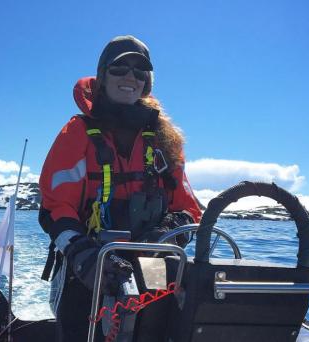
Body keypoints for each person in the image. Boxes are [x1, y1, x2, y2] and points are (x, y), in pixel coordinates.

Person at [38, 35, 202, 341]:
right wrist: (82, 253)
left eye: (140, 71)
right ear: (102, 76)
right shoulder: (77, 133)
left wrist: (164, 237)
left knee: (153, 331)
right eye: (119, 68)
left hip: (153, 264)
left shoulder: (164, 140)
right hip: (87, 265)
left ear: (147, 83)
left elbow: (189, 210)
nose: (130, 77)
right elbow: (54, 207)